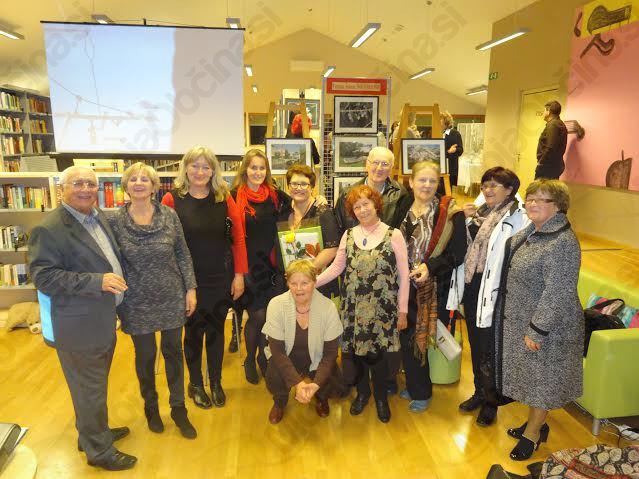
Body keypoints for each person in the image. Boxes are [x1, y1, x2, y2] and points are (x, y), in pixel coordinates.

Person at [28, 166, 136, 471]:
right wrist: (96, 282)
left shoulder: (97, 216)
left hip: (100, 319)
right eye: (78, 183)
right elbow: (44, 277)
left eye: (91, 184)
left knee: (92, 386)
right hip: (78, 326)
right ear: (62, 189)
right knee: (89, 389)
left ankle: (91, 435)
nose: (86, 189)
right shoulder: (49, 228)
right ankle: (99, 451)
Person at [108, 162, 198, 439]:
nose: (138, 183)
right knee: (146, 356)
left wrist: (191, 289)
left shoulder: (169, 215)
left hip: (171, 295)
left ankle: (179, 408)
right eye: (133, 179)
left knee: (173, 352)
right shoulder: (115, 221)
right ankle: (151, 407)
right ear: (126, 186)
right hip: (135, 300)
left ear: (154, 186)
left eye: (144, 179)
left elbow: (182, 253)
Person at [497, 180, 583, 461]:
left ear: (558, 206)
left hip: (550, 326)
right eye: (530, 198)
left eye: (540, 199)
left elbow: (558, 292)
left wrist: (537, 330)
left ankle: (533, 434)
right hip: (527, 317)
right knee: (533, 379)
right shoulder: (534, 231)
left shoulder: (562, 242)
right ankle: (535, 424)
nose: (532, 203)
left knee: (542, 383)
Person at [162, 146, 248, 409]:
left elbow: (238, 238)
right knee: (193, 332)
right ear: (185, 168)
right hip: (186, 281)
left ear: (213, 171)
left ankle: (216, 382)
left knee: (215, 331)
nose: (200, 171)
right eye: (195, 165)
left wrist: (239, 275)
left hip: (219, 277)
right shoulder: (172, 199)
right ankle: (196, 384)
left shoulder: (224, 198)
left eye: (205, 167)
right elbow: (165, 243)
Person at [316, 185, 409, 423]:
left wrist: (402, 311)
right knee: (356, 356)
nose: (362, 210)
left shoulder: (393, 235)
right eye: (356, 207)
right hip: (354, 308)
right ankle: (362, 394)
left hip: (382, 310)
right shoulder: (348, 235)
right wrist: (311, 283)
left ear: (376, 204)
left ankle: (380, 398)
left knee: (378, 357)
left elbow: (404, 275)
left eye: (366, 204)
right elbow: (336, 268)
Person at [454, 167, 529, 427]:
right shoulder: (480, 213)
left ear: (509, 190)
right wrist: (463, 220)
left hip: (495, 290)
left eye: (494, 185)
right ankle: (479, 391)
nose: (487, 189)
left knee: (490, 348)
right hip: (474, 285)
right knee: (476, 343)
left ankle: (491, 402)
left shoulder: (517, 217)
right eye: (485, 185)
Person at [392, 161, 467, 412]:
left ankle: (422, 391)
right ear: (411, 182)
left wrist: (430, 267)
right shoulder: (403, 206)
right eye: (421, 180)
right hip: (400, 282)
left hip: (430, 286)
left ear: (438, 184)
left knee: (418, 337)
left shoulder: (450, 214)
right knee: (404, 334)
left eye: (432, 181)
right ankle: (415, 384)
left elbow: (458, 253)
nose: (426, 185)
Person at [231, 149, 292, 384]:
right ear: (245, 169)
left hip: (272, 268)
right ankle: (250, 358)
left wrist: (318, 200)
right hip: (247, 268)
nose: (257, 172)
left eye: (262, 168)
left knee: (270, 317)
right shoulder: (233, 196)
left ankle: (262, 357)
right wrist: (237, 272)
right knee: (257, 316)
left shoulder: (275, 196)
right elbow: (228, 235)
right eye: (253, 167)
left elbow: (299, 201)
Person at [262, 260, 344, 424]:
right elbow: (277, 352)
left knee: (335, 380)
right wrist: (298, 384)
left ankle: (321, 397)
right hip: (286, 357)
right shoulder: (276, 305)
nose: (299, 288)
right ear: (288, 283)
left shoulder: (328, 307)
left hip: (317, 358)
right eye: (294, 283)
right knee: (274, 374)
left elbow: (330, 354)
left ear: (314, 282)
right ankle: (280, 401)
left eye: (305, 283)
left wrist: (315, 385)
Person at [279, 164, 340, 296]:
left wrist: (305, 273)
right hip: (291, 283)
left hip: (316, 282)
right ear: (288, 186)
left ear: (312, 187)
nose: (298, 188)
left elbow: (332, 248)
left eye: (304, 184)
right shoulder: (283, 211)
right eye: (294, 184)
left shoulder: (322, 212)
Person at [334, 146, 406, 233]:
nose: (379, 168)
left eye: (385, 164)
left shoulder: (400, 193)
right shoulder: (347, 194)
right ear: (367, 165)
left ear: (391, 168)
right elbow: (338, 228)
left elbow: (403, 229)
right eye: (375, 162)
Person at [535, 100, 567, 180]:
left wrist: (540, 163)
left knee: (541, 188)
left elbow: (550, 147)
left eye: (544, 110)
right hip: (553, 166)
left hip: (547, 168)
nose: (543, 113)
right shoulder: (559, 124)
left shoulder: (553, 125)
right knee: (550, 187)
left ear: (548, 111)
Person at [441, 111, 464, 187]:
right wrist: (448, 151)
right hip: (440, 168)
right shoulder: (438, 133)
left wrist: (454, 150)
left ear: (446, 121)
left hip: (450, 168)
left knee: (449, 189)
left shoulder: (455, 133)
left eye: (440, 119)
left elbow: (460, 150)